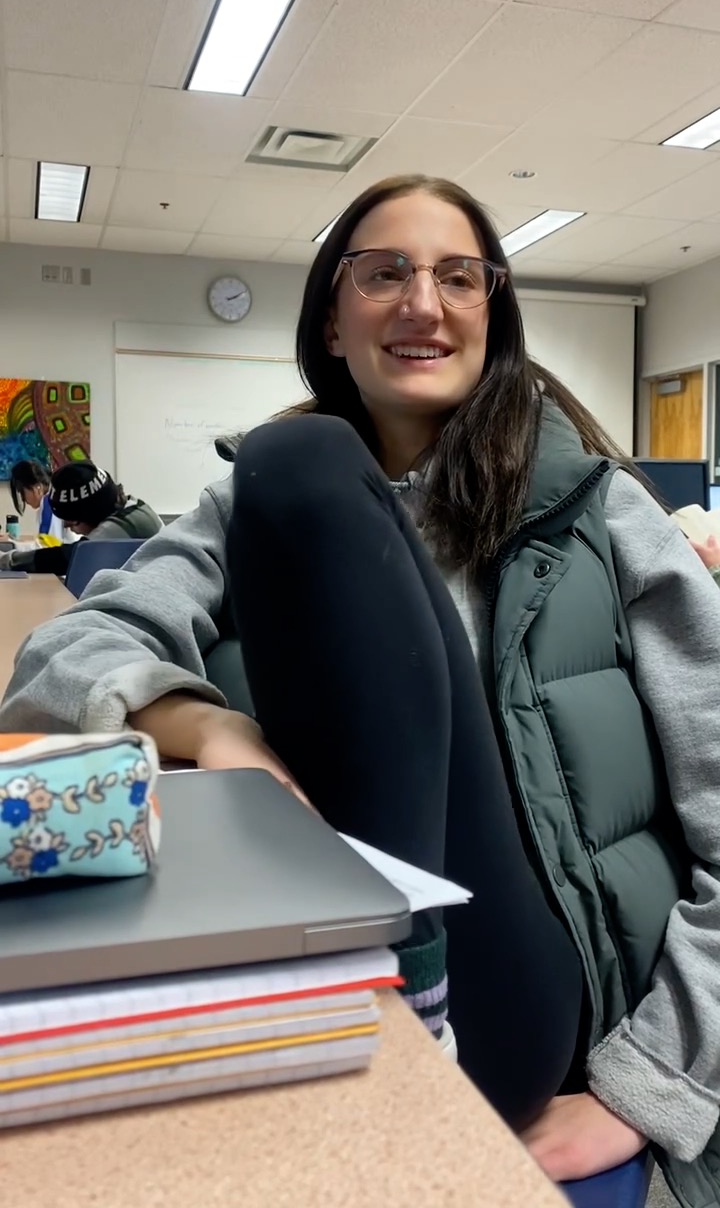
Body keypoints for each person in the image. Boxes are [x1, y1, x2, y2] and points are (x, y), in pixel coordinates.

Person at [1, 175, 719, 1206]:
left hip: (513, 994)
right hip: (301, 964)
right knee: (292, 463)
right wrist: (208, 724)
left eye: (456, 276)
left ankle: (409, 1022)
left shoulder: (601, 513)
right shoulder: (262, 502)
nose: (421, 303)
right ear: (332, 321)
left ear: (492, 314)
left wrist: (647, 1087)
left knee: (292, 458)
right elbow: (59, 661)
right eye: (383, 273)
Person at [0, 460, 162, 573]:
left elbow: (72, 557)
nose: (66, 526)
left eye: (72, 520)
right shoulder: (133, 508)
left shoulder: (123, 524)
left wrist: (7, 560)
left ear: (91, 512)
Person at [8, 459, 74, 543]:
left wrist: (12, 545)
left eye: (22, 492)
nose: (23, 499)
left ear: (37, 487)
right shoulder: (56, 499)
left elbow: (47, 546)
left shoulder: (49, 503)